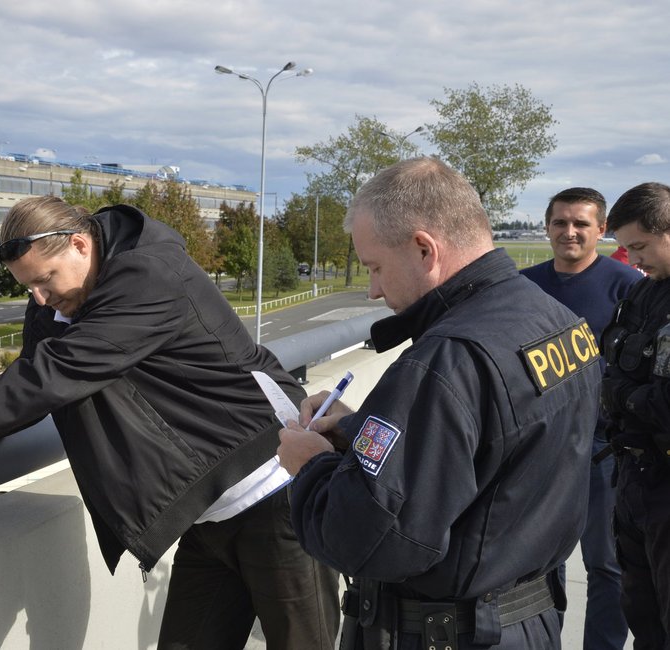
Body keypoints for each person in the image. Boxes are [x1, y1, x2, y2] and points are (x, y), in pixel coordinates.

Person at [0, 196, 340, 648]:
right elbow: (27, 385)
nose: (39, 299)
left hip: (275, 492)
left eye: (45, 281)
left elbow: (58, 375)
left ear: (79, 243)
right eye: (28, 287)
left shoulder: (150, 275)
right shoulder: (56, 304)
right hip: (207, 509)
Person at [277, 158, 602, 649]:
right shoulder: (553, 317)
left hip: (449, 631)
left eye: (376, 267)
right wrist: (361, 428)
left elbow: (372, 540)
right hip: (527, 620)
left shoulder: (447, 359)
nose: (374, 289)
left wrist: (312, 468)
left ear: (425, 249)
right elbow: (487, 453)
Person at [519, 187, 639, 650]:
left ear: (601, 230)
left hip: (602, 450)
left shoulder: (627, 287)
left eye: (581, 224)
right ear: (546, 226)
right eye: (560, 222)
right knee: (540, 564)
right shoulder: (522, 286)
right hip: (536, 447)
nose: (569, 232)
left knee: (606, 564)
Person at [599, 181, 670, 649]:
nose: (632, 259)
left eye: (639, 246)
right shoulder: (645, 294)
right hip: (634, 477)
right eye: (625, 248)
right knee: (643, 617)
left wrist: (617, 391)